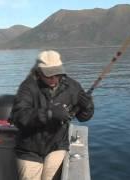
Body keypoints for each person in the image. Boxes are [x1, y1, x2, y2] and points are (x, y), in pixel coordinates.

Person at [10, 50, 94, 180]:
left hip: (57, 145)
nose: (54, 79)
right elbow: (19, 116)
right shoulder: (28, 87)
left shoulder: (72, 86)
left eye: (57, 74)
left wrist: (87, 107)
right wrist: (49, 113)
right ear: (38, 73)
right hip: (29, 148)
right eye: (49, 75)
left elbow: (83, 118)